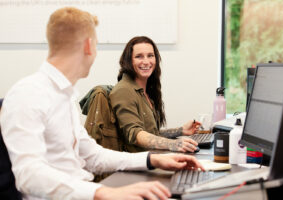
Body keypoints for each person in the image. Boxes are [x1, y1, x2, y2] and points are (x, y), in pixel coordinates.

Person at [0, 7, 204, 200]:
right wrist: (101, 192)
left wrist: (152, 159)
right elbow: (28, 175)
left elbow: (92, 155)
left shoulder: (65, 96)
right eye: (96, 45)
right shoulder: (29, 94)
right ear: (89, 45)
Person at [109, 36, 200, 153]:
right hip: (137, 164)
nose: (146, 62)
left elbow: (151, 134)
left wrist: (181, 131)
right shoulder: (124, 90)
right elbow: (135, 134)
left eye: (150, 56)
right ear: (129, 61)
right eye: (139, 56)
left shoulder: (146, 90)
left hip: (151, 157)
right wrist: (173, 144)